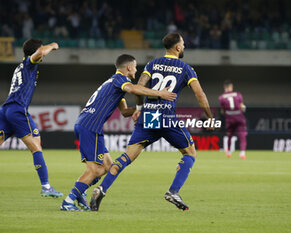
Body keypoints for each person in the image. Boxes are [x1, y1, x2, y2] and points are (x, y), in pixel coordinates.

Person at [90, 32, 214, 211]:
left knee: (127, 156)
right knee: (190, 153)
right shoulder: (186, 68)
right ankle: (173, 191)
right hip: (167, 116)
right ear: (177, 47)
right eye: (183, 44)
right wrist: (209, 117)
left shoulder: (152, 64)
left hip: (149, 115)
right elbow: (199, 94)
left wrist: (139, 109)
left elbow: (139, 88)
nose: (185, 46)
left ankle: (102, 189)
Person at [60, 54, 177, 211]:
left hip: (88, 125)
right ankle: (68, 201)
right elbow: (134, 89)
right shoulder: (120, 80)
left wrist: (142, 109)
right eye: (135, 66)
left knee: (107, 167)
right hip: (90, 126)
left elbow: (125, 111)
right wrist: (160, 93)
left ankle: (80, 193)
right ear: (128, 67)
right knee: (94, 170)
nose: (136, 69)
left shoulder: (113, 84)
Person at [0, 39, 63, 197]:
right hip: (17, 110)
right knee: (36, 146)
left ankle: (46, 186)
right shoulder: (29, 63)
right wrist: (53, 46)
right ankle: (46, 187)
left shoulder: (19, 67)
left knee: (36, 141)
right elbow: (40, 53)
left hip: (6, 109)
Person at [219, 80, 247, 159]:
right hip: (239, 117)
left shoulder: (221, 97)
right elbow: (242, 107)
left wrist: (227, 114)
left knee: (230, 135)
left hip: (230, 118)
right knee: (242, 135)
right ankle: (242, 153)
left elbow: (223, 110)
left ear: (224, 87)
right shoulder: (238, 94)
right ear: (231, 87)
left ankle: (228, 151)